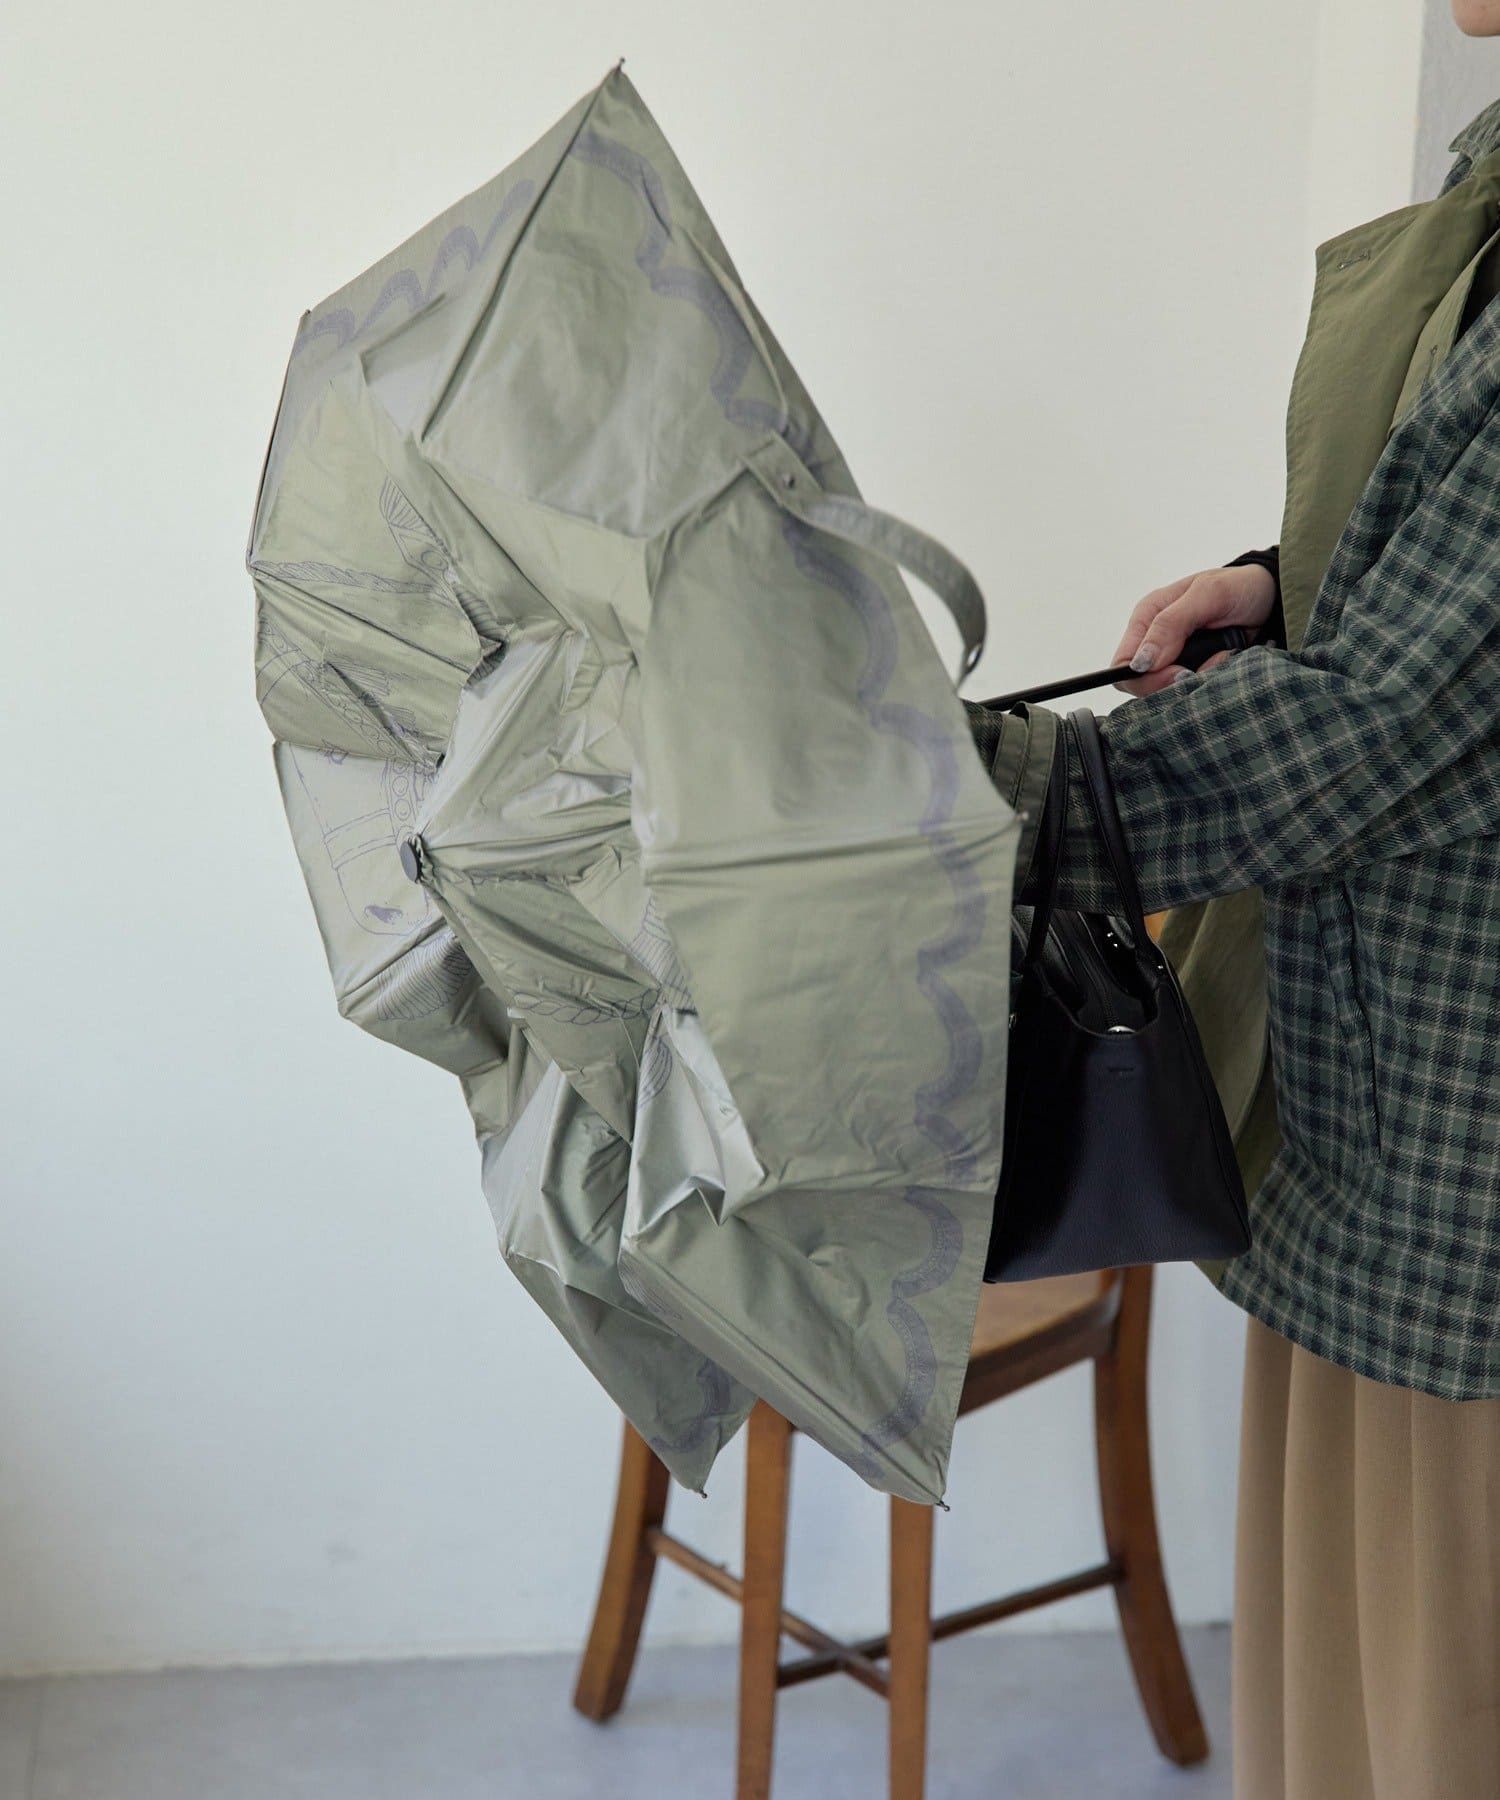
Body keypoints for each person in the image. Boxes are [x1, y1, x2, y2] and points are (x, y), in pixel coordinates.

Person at [976, 7, 1500, 1795]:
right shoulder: (1491, 188)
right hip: (1380, 1107)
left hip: (1464, 1137)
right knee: (1361, 1678)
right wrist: (1283, 580)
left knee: (1436, 1705)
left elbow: (1383, 723)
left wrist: (978, 795)